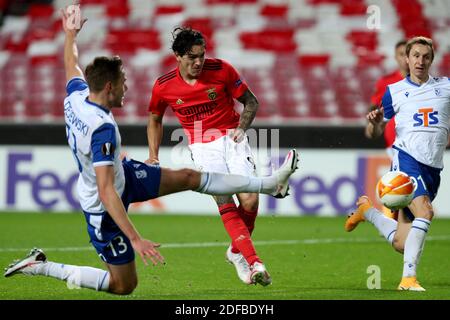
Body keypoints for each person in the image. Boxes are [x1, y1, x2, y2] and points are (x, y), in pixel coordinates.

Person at [3, 6, 299, 294]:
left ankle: (269, 185)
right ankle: (41, 266)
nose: (127, 88)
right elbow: (107, 192)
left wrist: (70, 35)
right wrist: (135, 239)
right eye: (123, 83)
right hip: (105, 200)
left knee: (189, 177)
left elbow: (71, 65)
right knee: (124, 285)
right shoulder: (103, 128)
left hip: (126, 174)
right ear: (108, 87)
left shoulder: (77, 97)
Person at [147, 27, 267, 285]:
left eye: (202, 55)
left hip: (231, 138)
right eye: (192, 57)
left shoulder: (222, 70)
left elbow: (251, 101)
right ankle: (254, 262)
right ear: (177, 56)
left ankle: (235, 251)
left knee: (250, 202)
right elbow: (155, 118)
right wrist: (153, 156)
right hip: (202, 146)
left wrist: (241, 129)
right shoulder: (163, 86)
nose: (199, 62)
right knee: (224, 199)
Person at [346, 36, 450, 291]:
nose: (420, 61)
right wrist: (375, 121)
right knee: (425, 212)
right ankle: (408, 279)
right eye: (415, 56)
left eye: (426, 56)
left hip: (433, 168)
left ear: (432, 59)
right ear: (407, 58)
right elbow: (375, 131)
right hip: (406, 161)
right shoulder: (394, 91)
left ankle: (367, 212)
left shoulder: (446, 86)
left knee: (402, 243)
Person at [366, 40, 409, 220]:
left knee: (407, 190)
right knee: (406, 188)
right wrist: (372, 126)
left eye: (410, 55)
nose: (406, 60)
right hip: (396, 144)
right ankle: (391, 224)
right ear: (395, 57)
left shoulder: (428, 85)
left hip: (421, 143)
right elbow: (374, 111)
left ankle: (386, 221)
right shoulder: (387, 83)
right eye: (402, 55)